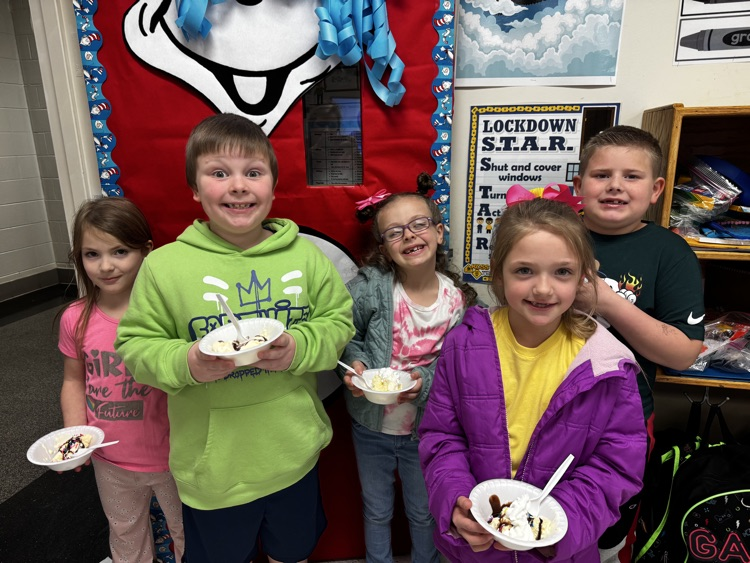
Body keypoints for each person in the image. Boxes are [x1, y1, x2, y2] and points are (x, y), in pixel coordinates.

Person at [114, 113, 355, 563]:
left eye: (253, 172)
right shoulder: (165, 267)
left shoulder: (305, 256)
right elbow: (136, 346)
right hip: (213, 471)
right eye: (219, 173)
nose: (238, 185)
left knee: (293, 551)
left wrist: (298, 348)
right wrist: (187, 361)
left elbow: (339, 321)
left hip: (293, 455)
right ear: (195, 188)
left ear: (273, 185)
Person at [418, 195, 648, 562]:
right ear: (498, 271)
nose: (543, 288)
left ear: (584, 275)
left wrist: (559, 525)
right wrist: (455, 500)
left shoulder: (607, 364)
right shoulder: (464, 344)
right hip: (476, 548)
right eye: (524, 271)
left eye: (562, 272)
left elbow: (617, 466)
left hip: (561, 552)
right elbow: (442, 437)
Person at [572, 125, 705, 562]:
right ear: (579, 185)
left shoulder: (669, 252)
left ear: (656, 189)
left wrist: (606, 301)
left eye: (631, 176)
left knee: (606, 532)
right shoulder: (553, 236)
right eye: (601, 175)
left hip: (621, 420)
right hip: (539, 407)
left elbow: (684, 353)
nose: (614, 186)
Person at [339, 191, 477, 563]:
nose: (410, 236)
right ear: (383, 247)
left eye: (419, 225)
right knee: (377, 511)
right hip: (371, 427)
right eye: (395, 232)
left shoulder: (459, 301)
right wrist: (358, 366)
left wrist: (423, 382)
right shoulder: (370, 289)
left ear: (438, 232)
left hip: (430, 431)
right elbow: (346, 336)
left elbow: (460, 368)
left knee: (423, 512)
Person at [58, 196, 184, 563]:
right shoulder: (74, 318)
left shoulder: (168, 315)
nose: (106, 266)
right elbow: (73, 381)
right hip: (109, 459)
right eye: (91, 254)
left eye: (120, 251)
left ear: (147, 251)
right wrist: (73, 434)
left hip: (174, 455)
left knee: (187, 531)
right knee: (126, 534)